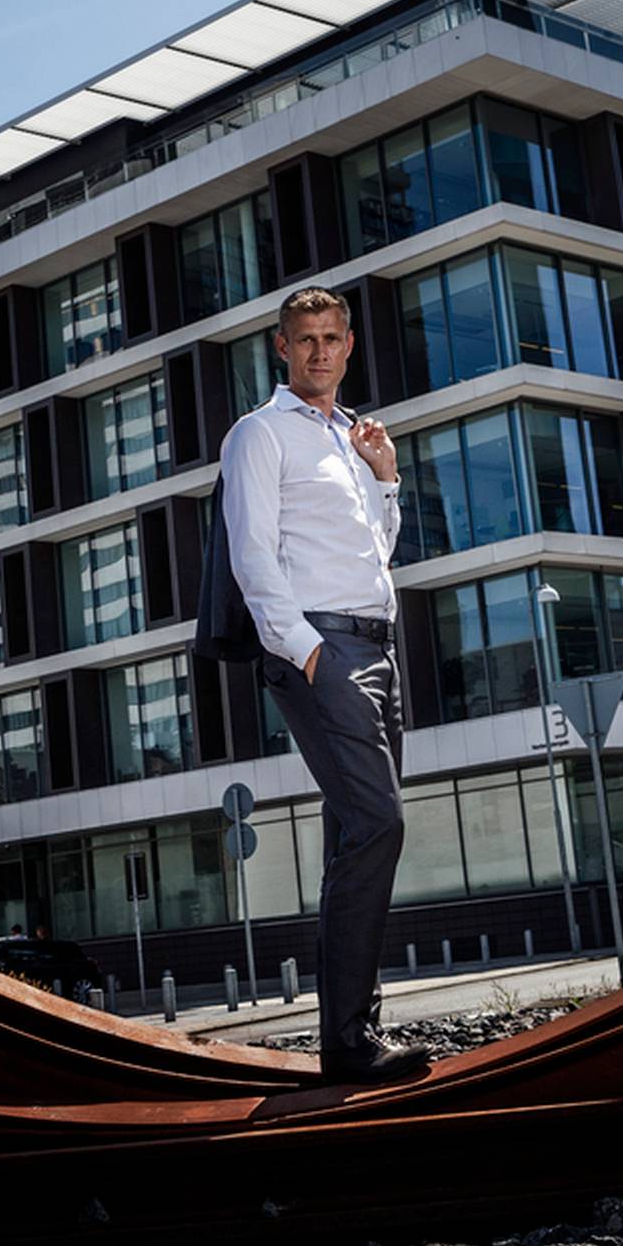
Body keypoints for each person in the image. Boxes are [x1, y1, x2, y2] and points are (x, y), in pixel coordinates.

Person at [217, 285, 427, 1085]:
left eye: (331, 338)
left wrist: (387, 476)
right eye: (303, 339)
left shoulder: (352, 437)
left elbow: (379, 547)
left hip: (379, 647)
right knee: (379, 822)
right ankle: (347, 1036)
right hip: (321, 649)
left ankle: (349, 1035)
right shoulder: (260, 434)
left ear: (348, 345)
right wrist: (305, 651)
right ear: (282, 346)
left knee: (355, 834)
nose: (318, 351)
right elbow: (253, 555)